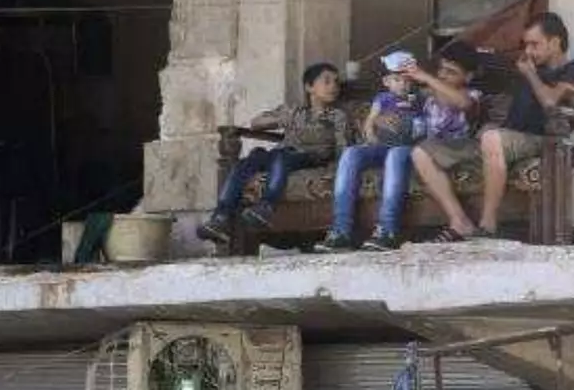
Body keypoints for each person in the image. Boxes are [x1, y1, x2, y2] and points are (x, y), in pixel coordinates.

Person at [412, 12, 574, 239]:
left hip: (543, 139)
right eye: (525, 45)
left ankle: (487, 225)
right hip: (504, 140)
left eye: (534, 44)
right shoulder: (522, 68)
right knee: (422, 152)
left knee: (492, 138)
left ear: (556, 42)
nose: (528, 51)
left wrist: (530, 75)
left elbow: (550, 102)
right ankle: (460, 222)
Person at [320, 42, 483, 251]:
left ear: (468, 77)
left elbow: (463, 103)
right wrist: (378, 120)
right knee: (352, 153)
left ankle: (387, 230)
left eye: (450, 72)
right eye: (441, 69)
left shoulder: (473, 95)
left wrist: (426, 77)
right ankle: (340, 231)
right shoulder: (424, 94)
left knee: (397, 154)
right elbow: (391, 101)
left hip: (429, 152)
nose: (442, 75)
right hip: (405, 147)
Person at [198, 62, 354, 245]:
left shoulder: (337, 116)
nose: (333, 87)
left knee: (281, 157)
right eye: (326, 82)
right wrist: (282, 118)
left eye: (336, 82)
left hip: (311, 156)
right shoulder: (294, 110)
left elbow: (344, 146)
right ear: (309, 87)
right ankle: (220, 218)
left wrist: (337, 168)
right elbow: (256, 123)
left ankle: (266, 207)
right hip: (283, 153)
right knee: (250, 160)